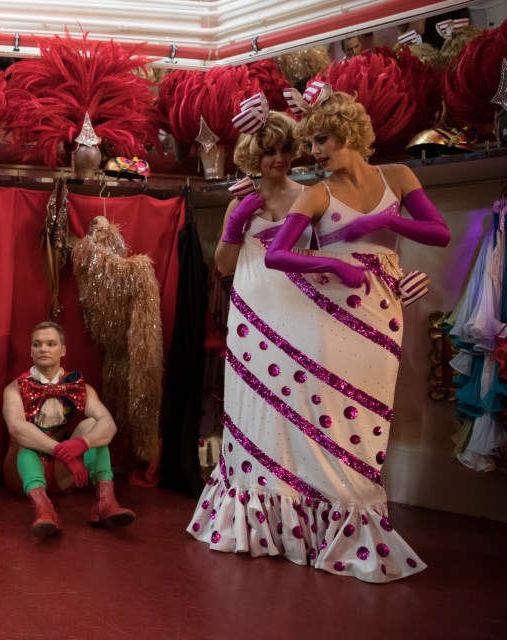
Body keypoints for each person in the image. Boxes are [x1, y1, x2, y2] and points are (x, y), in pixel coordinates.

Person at [189, 82, 449, 583]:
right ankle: (262, 517)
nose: (287, 157)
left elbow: (324, 254)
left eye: (294, 147)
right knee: (263, 414)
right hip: (258, 304)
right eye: (274, 150)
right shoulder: (256, 198)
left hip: (315, 312)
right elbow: (228, 265)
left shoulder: (313, 192)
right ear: (253, 154)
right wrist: (233, 227)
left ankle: (319, 514)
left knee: (313, 417)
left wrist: (399, 272)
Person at [2, 321, 135, 537]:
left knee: (94, 427)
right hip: (23, 471)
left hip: (61, 471)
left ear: (63, 350)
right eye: (37, 344)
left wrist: (81, 444)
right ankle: (43, 509)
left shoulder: (79, 386)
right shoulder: (15, 388)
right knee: (25, 439)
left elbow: (108, 425)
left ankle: (105, 502)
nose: (43, 349)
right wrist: (61, 452)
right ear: (30, 350)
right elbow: (16, 428)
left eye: (50, 344)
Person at [214, 97, 310, 277]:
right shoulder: (239, 204)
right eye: (270, 152)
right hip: (252, 302)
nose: (280, 158)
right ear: (256, 155)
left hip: (303, 300)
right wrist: (236, 225)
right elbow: (224, 266)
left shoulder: (311, 198)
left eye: (286, 149)